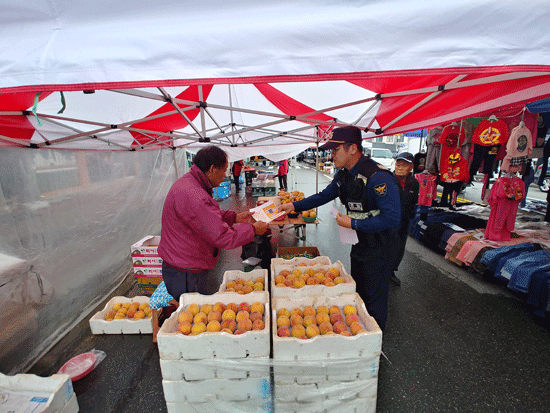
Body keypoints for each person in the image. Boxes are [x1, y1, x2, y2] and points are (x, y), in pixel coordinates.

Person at [279, 126, 402, 331]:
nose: (331, 154)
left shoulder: (378, 177)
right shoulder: (344, 175)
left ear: (352, 149)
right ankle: (361, 334)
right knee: (359, 292)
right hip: (359, 244)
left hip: (381, 247)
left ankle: (375, 344)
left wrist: (354, 223)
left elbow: (392, 218)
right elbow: (324, 195)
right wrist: (293, 206)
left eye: (336, 150)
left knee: (375, 299)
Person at [158, 146, 268, 301]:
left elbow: (207, 216)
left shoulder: (190, 183)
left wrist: (236, 217)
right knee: (194, 313)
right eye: (223, 170)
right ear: (212, 169)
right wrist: (253, 229)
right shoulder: (195, 195)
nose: (225, 176)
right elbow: (223, 237)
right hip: (186, 270)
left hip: (181, 262)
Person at [391, 152, 419, 286]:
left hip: (404, 221)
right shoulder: (388, 179)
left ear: (411, 167)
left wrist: (411, 217)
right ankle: (382, 272)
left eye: (404, 165)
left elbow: (414, 202)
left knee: (399, 248)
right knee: (386, 246)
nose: (400, 167)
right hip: (388, 221)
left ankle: (391, 271)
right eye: (398, 164)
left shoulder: (414, 183)